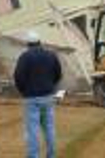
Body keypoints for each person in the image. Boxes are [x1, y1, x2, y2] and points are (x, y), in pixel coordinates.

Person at [14, 30, 62, 158]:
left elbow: (18, 77)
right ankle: (51, 155)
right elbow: (58, 74)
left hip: (31, 98)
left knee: (33, 131)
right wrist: (51, 86)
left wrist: (23, 91)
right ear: (40, 42)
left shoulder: (25, 56)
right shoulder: (51, 55)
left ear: (28, 44)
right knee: (49, 129)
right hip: (48, 97)